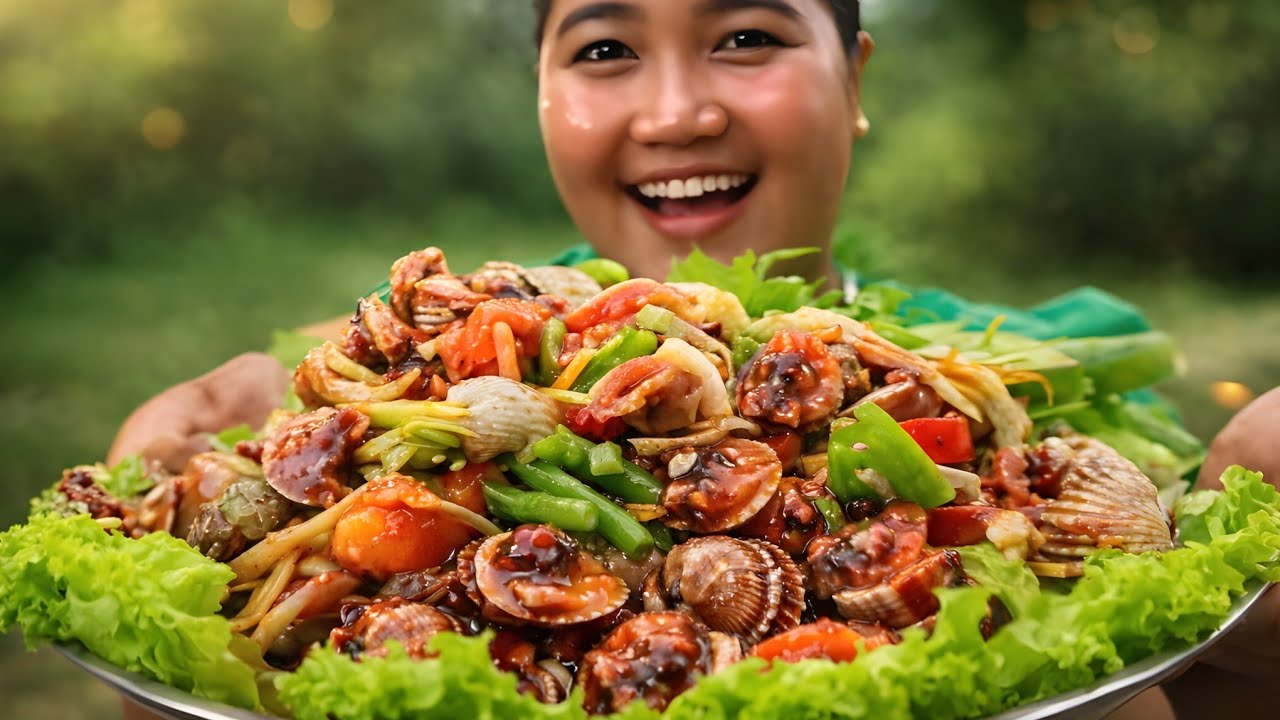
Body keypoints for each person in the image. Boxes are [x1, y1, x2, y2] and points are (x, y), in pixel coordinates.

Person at [110, 1, 1277, 718]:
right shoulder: (419, 338)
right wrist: (219, 441)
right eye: (606, 45)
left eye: (746, 38)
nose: (675, 109)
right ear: (539, 93)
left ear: (856, 77)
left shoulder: (1037, 362)